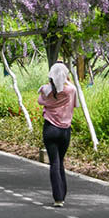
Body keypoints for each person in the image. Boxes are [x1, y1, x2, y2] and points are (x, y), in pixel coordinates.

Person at [37, 62, 78, 208]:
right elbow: (75, 105)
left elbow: (40, 100)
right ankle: (63, 194)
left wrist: (45, 88)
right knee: (60, 161)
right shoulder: (72, 90)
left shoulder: (48, 90)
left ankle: (58, 198)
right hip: (65, 131)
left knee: (54, 162)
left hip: (50, 129)